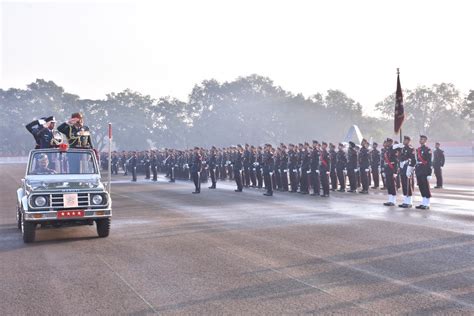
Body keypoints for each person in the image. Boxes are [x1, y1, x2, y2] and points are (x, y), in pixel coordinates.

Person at [415, 135, 432, 209]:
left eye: (422, 139)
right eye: (420, 139)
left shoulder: (428, 149)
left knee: (425, 187)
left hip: (425, 170)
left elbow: (429, 162)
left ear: (425, 141)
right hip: (419, 170)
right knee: (421, 186)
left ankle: (427, 204)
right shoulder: (418, 149)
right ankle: (423, 202)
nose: (420, 140)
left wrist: (429, 173)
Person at [398, 136, 416, 208]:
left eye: (405, 140)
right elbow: (400, 158)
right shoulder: (402, 149)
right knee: (404, 184)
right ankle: (405, 201)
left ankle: (409, 202)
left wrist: (410, 168)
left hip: (408, 168)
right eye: (404, 140)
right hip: (403, 168)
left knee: (408, 184)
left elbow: (413, 160)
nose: (404, 141)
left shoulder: (411, 149)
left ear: (408, 141)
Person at [383, 138, 402, 206]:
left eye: (388, 142)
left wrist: (395, 172)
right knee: (389, 185)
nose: (386, 143)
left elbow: (396, 161)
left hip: (392, 168)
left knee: (392, 185)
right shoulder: (387, 150)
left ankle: (393, 201)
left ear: (391, 142)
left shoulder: (393, 149)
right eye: (386, 142)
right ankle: (390, 200)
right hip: (388, 168)